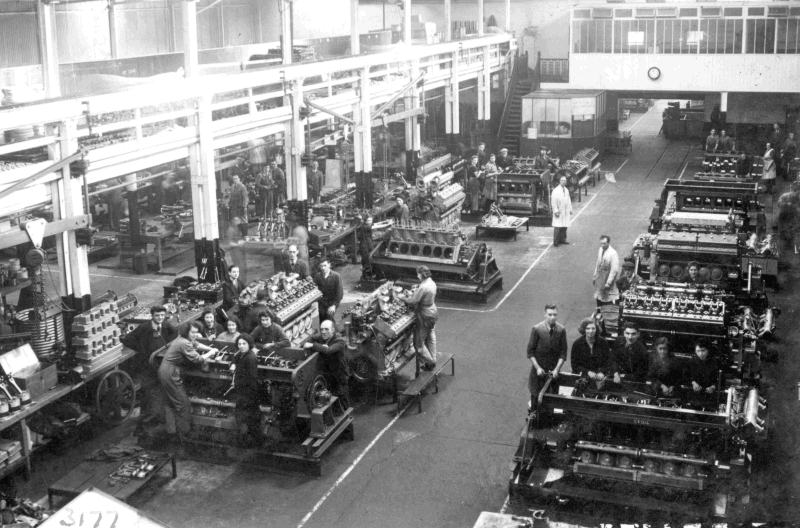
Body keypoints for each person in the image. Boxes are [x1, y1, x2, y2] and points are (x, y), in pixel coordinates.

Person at [158, 321, 218, 438]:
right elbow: (197, 359)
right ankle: (184, 433)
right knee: (183, 404)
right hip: (170, 372)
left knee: (171, 402)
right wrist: (210, 353)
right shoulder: (184, 342)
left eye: (197, 332)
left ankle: (171, 431)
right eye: (193, 332)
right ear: (187, 332)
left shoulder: (183, 338)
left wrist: (211, 348)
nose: (195, 334)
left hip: (166, 370)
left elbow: (195, 344)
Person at [121, 306, 177, 419]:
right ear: (152, 316)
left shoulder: (166, 326)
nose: (160, 318)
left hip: (161, 364)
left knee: (161, 390)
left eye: (162, 315)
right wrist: (142, 349)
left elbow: (175, 334)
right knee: (147, 390)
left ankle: (160, 415)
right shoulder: (144, 327)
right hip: (147, 365)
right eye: (157, 315)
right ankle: (146, 416)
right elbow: (127, 339)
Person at [526, 304, 567, 413]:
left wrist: (557, 369)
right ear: (545, 314)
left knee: (551, 402)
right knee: (536, 399)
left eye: (555, 315)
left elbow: (563, 353)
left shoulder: (561, 330)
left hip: (553, 373)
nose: (552, 317)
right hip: (538, 373)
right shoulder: (537, 329)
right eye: (550, 314)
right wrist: (538, 368)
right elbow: (530, 352)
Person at [304, 320, 350, 408]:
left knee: (342, 398)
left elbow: (328, 351)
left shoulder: (340, 341)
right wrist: (317, 345)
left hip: (339, 377)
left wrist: (312, 345)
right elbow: (312, 338)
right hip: (328, 376)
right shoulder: (322, 337)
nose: (323, 332)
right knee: (329, 399)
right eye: (321, 329)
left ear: (333, 330)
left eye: (326, 329)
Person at [402, 266, 439, 370]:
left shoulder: (423, 287)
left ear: (421, 274)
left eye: (418, 274)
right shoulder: (431, 283)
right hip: (433, 312)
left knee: (418, 344)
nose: (417, 275)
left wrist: (402, 297)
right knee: (431, 337)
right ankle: (433, 358)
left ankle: (430, 362)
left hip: (425, 315)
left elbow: (413, 301)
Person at [230, 333, 262, 446]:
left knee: (245, 417)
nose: (241, 346)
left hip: (248, 393)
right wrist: (233, 364)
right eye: (239, 344)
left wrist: (236, 383)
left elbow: (252, 377)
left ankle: (247, 441)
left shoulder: (251, 358)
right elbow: (235, 357)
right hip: (242, 391)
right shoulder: (242, 354)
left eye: (244, 344)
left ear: (249, 344)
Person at [570, 318, 611, 388]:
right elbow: (574, 365)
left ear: (596, 329)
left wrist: (602, 372)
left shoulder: (603, 342)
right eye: (588, 328)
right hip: (583, 375)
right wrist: (587, 372)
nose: (591, 331)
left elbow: (608, 361)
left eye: (593, 328)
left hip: (599, 376)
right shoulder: (577, 344)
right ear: (584, 330)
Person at [313, 257, 343, 326]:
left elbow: (340, 293)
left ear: (329, 265)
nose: (323, 268)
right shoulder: (318, 276)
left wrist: (334, 305)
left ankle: (334, 335)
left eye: (325, 265)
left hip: (331, 303)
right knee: (322, 322)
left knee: (329, 321)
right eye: (321, 266)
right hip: (321, 304)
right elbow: (314, 289)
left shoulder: (336, 276)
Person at [593, 235, 620, 307]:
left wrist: (608, 283)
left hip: (607, 278)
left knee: (607, 298)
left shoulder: (613, 253)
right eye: (601, 243)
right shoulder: (600, 250)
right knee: (599, 296)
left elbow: (614, 270)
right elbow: (597, 264)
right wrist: (595, 276)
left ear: (608, 243)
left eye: (604, 243)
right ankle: (599, 310)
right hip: (600, 278)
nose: (602, 245)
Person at [551, 175, 572, 247]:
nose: (563, 182)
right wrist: (556, 211)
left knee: (564, 226)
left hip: (565, 212)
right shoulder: (555, 191)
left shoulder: (566, 190)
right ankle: (556, 242)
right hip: (559, 211)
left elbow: (569, 200)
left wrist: (570, 209)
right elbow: (553, 202)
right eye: (562, 180)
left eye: (565, 181)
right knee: (557, 227)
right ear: (559, 181)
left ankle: (563, 240)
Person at [228, 174, 249, 238]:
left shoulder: (242, 186)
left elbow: (245, 197)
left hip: (241, 207)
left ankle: (245, 235)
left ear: (239, 179)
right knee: (237, 220)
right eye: (234, 179)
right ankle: (239, 234)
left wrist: (244, 206)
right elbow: (231, 197)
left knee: (243, 220)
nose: (235, 180)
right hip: (235, 207)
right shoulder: (233, 186)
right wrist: (229, 204)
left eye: (236, 179)